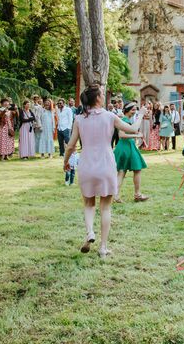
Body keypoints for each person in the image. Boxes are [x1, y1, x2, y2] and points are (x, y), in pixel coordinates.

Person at [63, 85, 147, 258]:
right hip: (106, 165)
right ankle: (102, 248)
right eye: (102, 93)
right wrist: (141, 113)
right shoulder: (110, 117)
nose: (104, 95)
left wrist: (66, 162)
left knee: (88, 204)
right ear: (98, 99)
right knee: (105, 208)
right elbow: (133, 129)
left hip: (86, 164)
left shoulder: (79, 119)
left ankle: (90, 233)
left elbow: (71, 145)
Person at [113, 101, 150, 203]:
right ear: (127, 111)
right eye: (133, 110)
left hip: (125, 146)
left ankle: (115, 195)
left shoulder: (126, 120)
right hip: (126, 147)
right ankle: (137, 194)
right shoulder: (124, 120)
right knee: (137, 169)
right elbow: (121, 135)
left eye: (135, 109)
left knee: (121, 171)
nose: (134, 112)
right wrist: (136, 136)